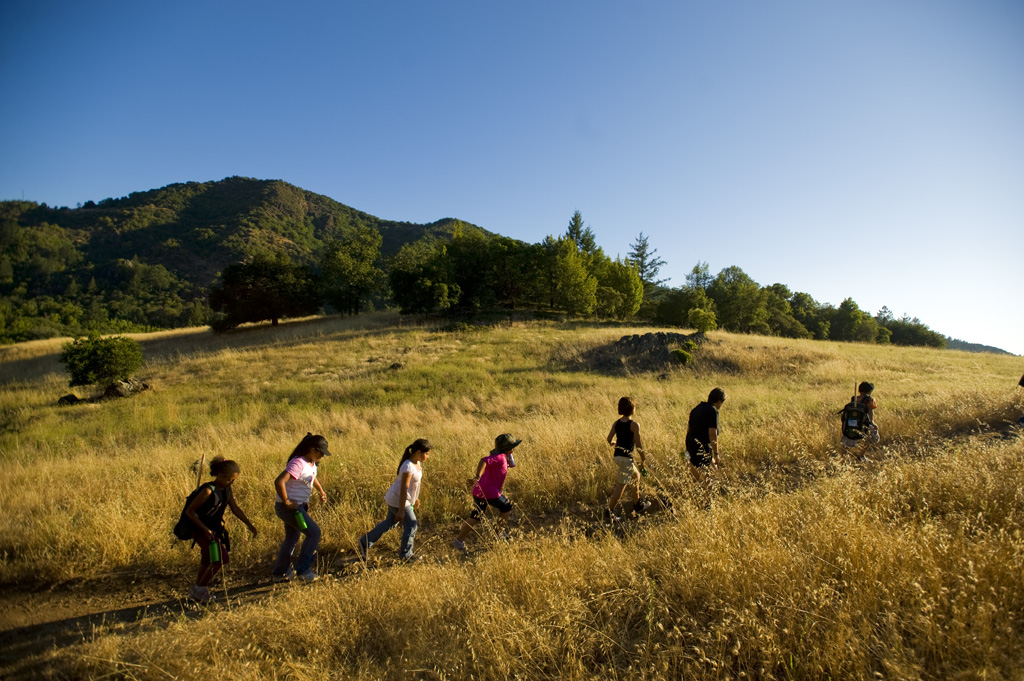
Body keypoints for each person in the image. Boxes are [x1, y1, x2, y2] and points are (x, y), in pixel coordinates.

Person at [184, 457, 257, 603]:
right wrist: (204, 529)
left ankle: (196, 591)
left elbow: (235, 508)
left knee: (207, 558)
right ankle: (200, 589)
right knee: (221, 559)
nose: (232, 482)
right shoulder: (207, 491)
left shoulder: (227, 490)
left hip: (213, 529)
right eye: (230, 480)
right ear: (221, 476)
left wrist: (249, 524)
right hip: (200, 530)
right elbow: (190, 512)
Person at [359, 439, 432, 562]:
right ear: (418, 452)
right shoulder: (408, 466)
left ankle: (365, 541)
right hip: (399, 500)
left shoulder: (416, 463)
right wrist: (402, 510)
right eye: (427, 454)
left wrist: (416, 498)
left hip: (401, 499)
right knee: (412, 526)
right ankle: (406, 555)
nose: (428, 457)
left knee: (390, 523)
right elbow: (404, 489)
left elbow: (413, 486)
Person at [271, 433, 331, 583]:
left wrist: (320, 490)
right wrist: (286, 501)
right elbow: (279, 481)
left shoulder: (310, 463)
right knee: (314, 533)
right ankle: (303, 570)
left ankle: (280, 573)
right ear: (312, 449)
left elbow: (311, 476)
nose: (322, 456)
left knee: (292, 538)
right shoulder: (298, 462)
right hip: (291, 509)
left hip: (299, 507)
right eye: (321, 453)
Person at [453, 434, 521, 551]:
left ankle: (458, 541)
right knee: (507, 507)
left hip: (479, 491)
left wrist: (509, 457)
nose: (513, 449)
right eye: (512, 447)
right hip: (489, 492)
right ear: (507, 448)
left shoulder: (502, 457)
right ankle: (498, 534)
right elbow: (483, 461)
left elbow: (509, 466)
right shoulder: (499, 457)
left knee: (476, 516)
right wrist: (477, 476)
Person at [604, 397, 650, 522]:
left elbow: (609, 439)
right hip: (626, 459)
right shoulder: (634, 425)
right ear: (632, 409)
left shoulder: (617, 423)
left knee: (636, 476)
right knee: (621, 485)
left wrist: (615, 443)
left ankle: (637, 503)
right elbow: (639, 444)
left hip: (618, 456)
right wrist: (643, 459)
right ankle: (609, 512)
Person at [684, 388, 726, 485]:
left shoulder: (696, 409)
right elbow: (712, 434)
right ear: (719, 401)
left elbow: (688, 430)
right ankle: (708, 498)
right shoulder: (713, 411)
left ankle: (687, 494)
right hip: (702, 447)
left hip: (690, 444)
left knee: (694, 477)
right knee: (712, 475)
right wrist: (716, 454)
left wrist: (686, 451)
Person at [840, 382, 880, 457]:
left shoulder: (854, 398)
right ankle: (860, 455)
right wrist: (872, 422)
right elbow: (870, 411)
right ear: (870, 391)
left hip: (850, 422)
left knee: (847, 437)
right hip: (863, 423)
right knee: (871, 438)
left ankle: (843, 456)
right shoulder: (869, 399)